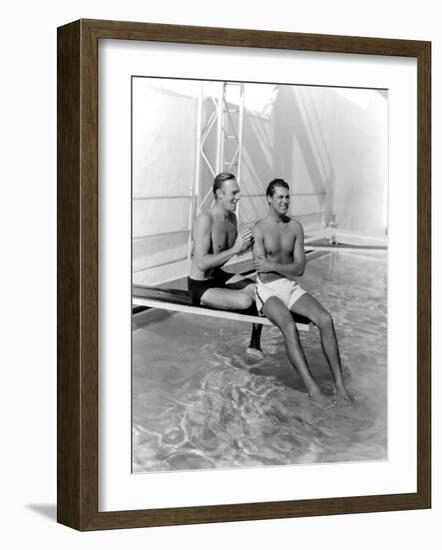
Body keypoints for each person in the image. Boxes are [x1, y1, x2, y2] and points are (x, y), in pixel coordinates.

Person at [252, 178, 352, 409]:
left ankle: (340, 386)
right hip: (267, 290)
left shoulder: (295, 227)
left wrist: (274, 266)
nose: (285, 201)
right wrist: (273, 269)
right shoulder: (259, 229)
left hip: (288, 285)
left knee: (326, 320)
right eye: (280, 197)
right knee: (288, 325)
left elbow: (300, 268)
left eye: (287, 197)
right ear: (269, 198)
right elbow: (262, 271)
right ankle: (313, 389)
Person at [188, 172, 262, 354]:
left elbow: (230, 252)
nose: (238, 197)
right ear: (220, 194)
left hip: (219, 277)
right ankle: (207, 301)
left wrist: (247, 243)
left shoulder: (232, 218)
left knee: (261, 292)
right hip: (201, 284)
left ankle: (255, 344)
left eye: (238, 193)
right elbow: (201, 264)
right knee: (246, 301)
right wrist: (236, 249)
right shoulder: (206, 219)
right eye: (234, 193)